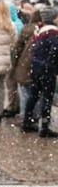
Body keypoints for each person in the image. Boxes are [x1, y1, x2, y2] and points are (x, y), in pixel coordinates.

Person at [20, 7, 58, 137]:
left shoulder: (39, 31)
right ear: (53, 18)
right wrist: (52, 65)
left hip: (36, 68)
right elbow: (55, 52)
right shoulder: (53, 32)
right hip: (48, 70)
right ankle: (45, 126)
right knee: (47, 97)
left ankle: (27, 120)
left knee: (34, 95)